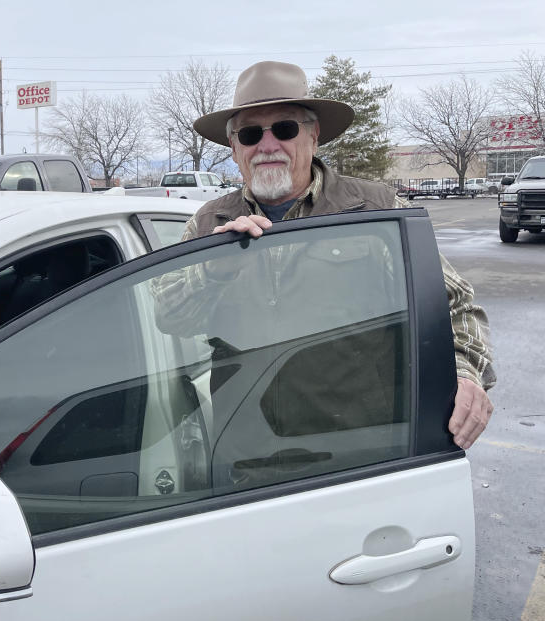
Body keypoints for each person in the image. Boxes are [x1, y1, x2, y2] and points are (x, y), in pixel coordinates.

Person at [152, 60, 494, 449]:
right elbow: (169, 316)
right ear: (234, 149)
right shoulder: (209, 222)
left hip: (361, 451)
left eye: (285, 129)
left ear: (313, 136)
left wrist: (464, 375)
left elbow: (454, 305)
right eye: (249, 134)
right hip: (244, 456)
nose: (267, 146)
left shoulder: (375, 210)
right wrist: (213, 271)